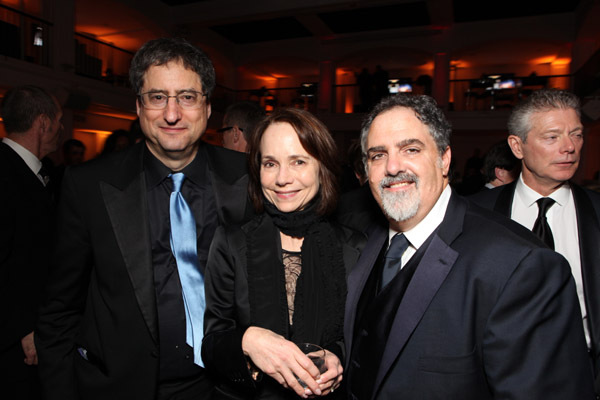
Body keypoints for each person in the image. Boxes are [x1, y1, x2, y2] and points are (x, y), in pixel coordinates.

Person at [35, 37, 251, 400]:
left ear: (208, 107)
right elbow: (60, 309)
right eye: (157, 97)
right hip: (120, 387)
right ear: (138, 106)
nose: (172, 113)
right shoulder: (89, 185)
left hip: (227, 388)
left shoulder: (248, 179)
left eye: (187, 96)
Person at [344, 94, 594, 399]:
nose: (393, 166)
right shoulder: (364, 241)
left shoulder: (521, 265)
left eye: (411, 149)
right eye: (377, 155)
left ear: (444, 158)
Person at [202, 108, 365, 399]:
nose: (282, 178)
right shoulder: (231, 242)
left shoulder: (356, 249)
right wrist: (248, 341)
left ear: (322, 167)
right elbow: (212, 344)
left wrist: (336, 357)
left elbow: (364, 340)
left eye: (298, 161)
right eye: (270, 163)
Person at [470, 88, 600, 394]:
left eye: (576, 134)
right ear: (517, 146)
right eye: (552, 137)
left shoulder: (597, 212)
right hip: (497, 381)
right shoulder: (475, 214)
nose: (569, 147)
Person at [0, 85, 62, 399]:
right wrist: (22, 326)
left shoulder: (37, 171)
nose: (61, 129)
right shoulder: (5, 174)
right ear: (42, 123)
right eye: (59, 120)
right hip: (14, 343)